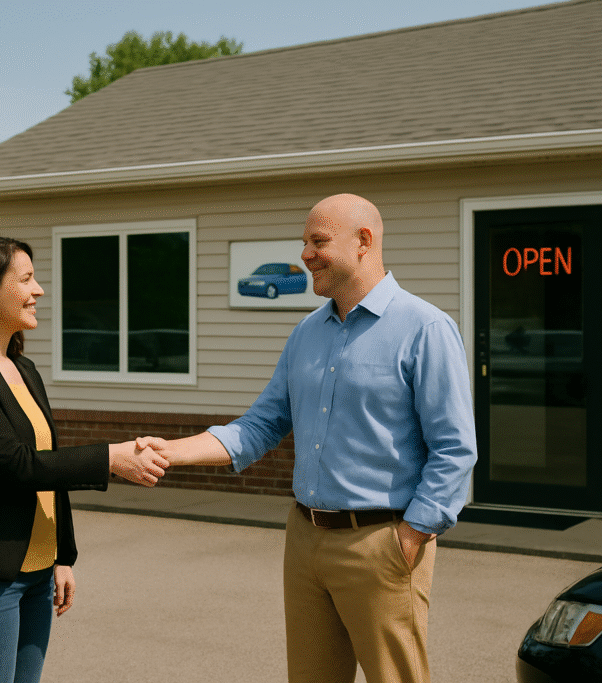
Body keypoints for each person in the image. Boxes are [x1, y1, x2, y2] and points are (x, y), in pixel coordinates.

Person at [139, 194, 477, 683]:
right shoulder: (305, 334)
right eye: (305, 243)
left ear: (364, 241)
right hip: (304, 541)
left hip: (381, 543)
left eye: (319, 241)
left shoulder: (424, 328)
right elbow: (259, 426)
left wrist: (412, 534)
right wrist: (169, 452)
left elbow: (454, 448)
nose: (306, 254)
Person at [0, 235, 168, 683]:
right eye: (27, 279)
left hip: (35, 575)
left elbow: (48, 464)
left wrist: (62, 556)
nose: (39, 291)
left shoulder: (24, 367)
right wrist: (111, 458)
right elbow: (16, 466)